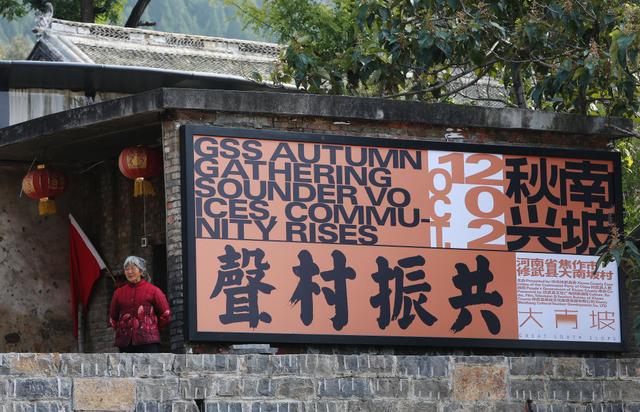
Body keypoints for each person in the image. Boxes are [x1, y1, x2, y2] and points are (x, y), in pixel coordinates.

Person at [109, 256, 171, 353]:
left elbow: (166, 314)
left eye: (133, 268)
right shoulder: (118, 293)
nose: (129, 271)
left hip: (149, 341)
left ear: (141, 271)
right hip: (125, 343)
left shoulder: (154, 291)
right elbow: (113, 318)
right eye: (127, 269)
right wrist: (123, 330)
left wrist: (153, 328)